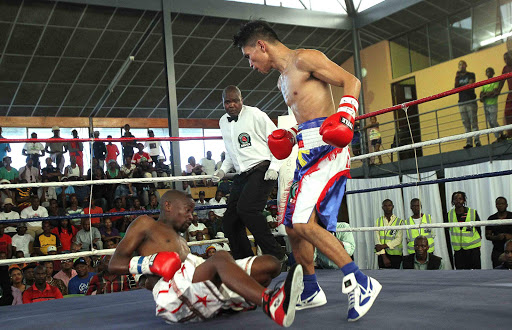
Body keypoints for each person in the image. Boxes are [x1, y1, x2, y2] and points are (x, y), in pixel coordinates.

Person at [233, 20, 381, 320]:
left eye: (250, 56)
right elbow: (305, 117)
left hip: (329, 147)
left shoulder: (305, 58)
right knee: (291, 226)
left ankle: (361, 281)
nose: (251, 64)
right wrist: (290, 135)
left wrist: (346, 116)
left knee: (302, 222)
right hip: (306, 151)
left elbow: (352, 81)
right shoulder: (281, 80)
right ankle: (311, 288)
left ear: (262, 45)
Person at [108, 190, 303, 326]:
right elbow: (114, 264)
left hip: (195, 288)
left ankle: (228, 304)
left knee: (270, 264)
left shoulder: (180, 238)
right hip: (173, 296)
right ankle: (270, 302)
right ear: (168, 206)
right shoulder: (146, 224)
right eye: (188, 210)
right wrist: (150, 264)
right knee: (220, 257)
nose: (192, 217)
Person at [212, 85, 284, 264]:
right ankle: (244, 261)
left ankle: (277, 254)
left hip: (262, 168)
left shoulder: (255, 114)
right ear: (223, 103)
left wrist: (274, 166)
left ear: (241, 99)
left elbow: (277, 140)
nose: (231, 105)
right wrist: (222, 170)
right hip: (242, 174)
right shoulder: (223, 122)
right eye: (227, 102)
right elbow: (231, 152)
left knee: (247, 209)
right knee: (229, 220)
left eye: (235, 101)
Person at [447, 191, 481, 269]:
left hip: (473, 249)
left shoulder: (473, 212)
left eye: (460, 198)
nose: (458, 201)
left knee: (476, 272)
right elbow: (447, 231)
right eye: (455, 199)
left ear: (464, 200)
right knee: (461, 273)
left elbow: (478, 229)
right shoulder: (449, 214)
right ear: (452, 201)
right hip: (458, 250)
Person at [454, 60, 480, 148]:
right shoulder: (458, 77)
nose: (461, 66)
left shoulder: (471, 75)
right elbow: (455, 88)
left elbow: (470, 85)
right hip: (461, 102)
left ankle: (477, 141)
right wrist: (457, 77)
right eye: (459, 65)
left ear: (466, 65)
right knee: (466, 123)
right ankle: (469, 142)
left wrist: (462, 87)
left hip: (470, 101)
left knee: (473, 122)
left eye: (462, 64)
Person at [375, 199, 403, 269]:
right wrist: (384, 256)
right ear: (382, 207)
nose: (387, 207)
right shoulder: (378, 221)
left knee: (396, 277)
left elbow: (398, 240)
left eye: (389, 205)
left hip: (396, 255)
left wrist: (383, 246)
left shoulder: (399, 221)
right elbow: (377, 240)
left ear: (393, 207)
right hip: (382, 255)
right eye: (385, 206)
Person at [486, 196, 512, 268]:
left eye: (502, 204)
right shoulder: (491, 218)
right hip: (497, 250)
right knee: (497, 271)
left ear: (506, 205)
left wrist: (509, 236)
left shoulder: (511, 216)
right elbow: (487, 236)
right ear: (496, 205)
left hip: (511, 248)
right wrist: (496, 237)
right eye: (498, 204)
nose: (500, 205)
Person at [480, 67, 504, 141]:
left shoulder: (495, 81)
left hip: (493, 104)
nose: (488, 73)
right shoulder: (484, 83)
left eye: (489, 72)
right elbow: (481, 94)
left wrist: (485, 94)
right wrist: (485, 95)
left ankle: (502, 133)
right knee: (490, 122)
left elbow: (494, 92)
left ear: (493, 73)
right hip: (486, 105)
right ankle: (498, 137)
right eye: (487, 72)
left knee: (493, 121)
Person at [496, 51, 512, 138]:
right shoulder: (505, 68)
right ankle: (510, 134)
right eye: (504, 59)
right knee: (508, 113)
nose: (505, 60)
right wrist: (497, 92)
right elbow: (501, 81)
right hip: (511, 93)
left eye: (507, 58)